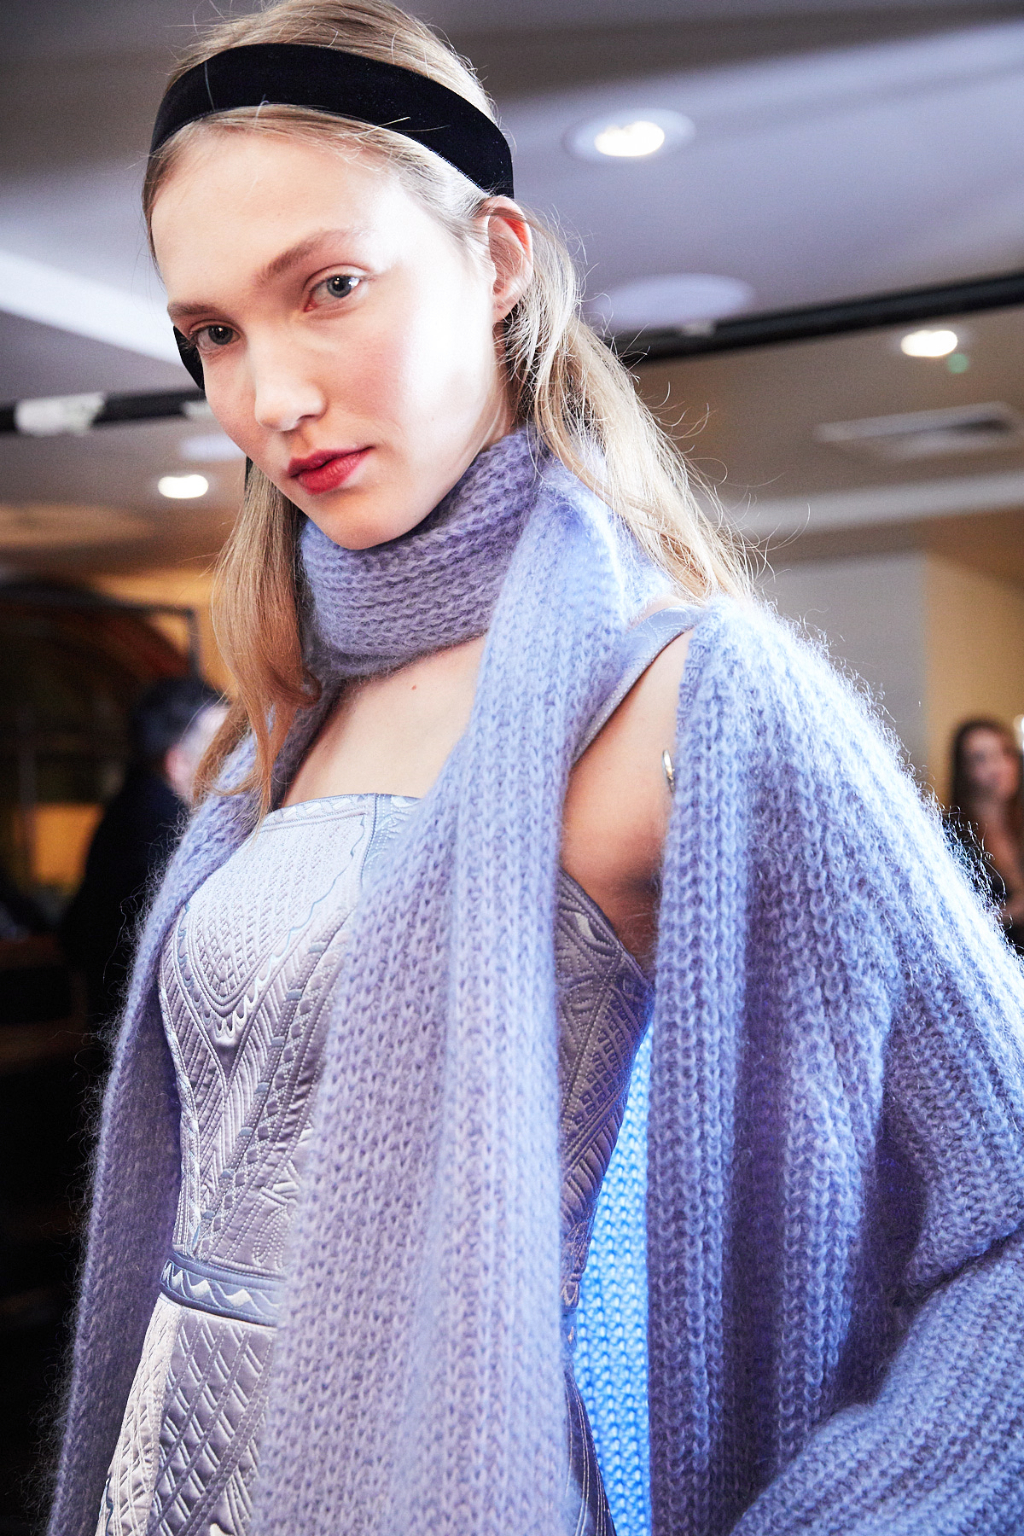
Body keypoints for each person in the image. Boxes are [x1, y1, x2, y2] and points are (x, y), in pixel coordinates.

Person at [48, 6, 1024, 1535]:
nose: (269, 397)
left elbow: (1006, 1215)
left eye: (331, 287)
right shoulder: (284, 711)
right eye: (214, 334)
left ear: (496, 259)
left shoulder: (694, 694)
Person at [60, 676, 226, 1026]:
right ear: (177, 762)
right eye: (223, 748)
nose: (238, 764)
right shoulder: (164, 828)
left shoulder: (128, 809)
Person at [945, 716, 1024, 954]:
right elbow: (947, 922)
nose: (998, 766)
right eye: (981, 758)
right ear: (963, 770)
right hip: (989, 959)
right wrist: (1011, 912)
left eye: (1005, 752)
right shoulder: (950, 835)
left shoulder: (1018, 824)